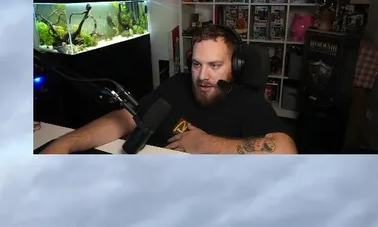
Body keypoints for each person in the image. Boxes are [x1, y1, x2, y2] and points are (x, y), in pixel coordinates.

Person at [41, 24, 297, 154]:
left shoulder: (248, 102)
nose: (202, 76)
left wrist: (203, 143)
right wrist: (66, 143)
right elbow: (127, 118)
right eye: (197, 64)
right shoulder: (178, 84)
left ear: (236, 66)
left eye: (215, 65)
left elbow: (285, 150)